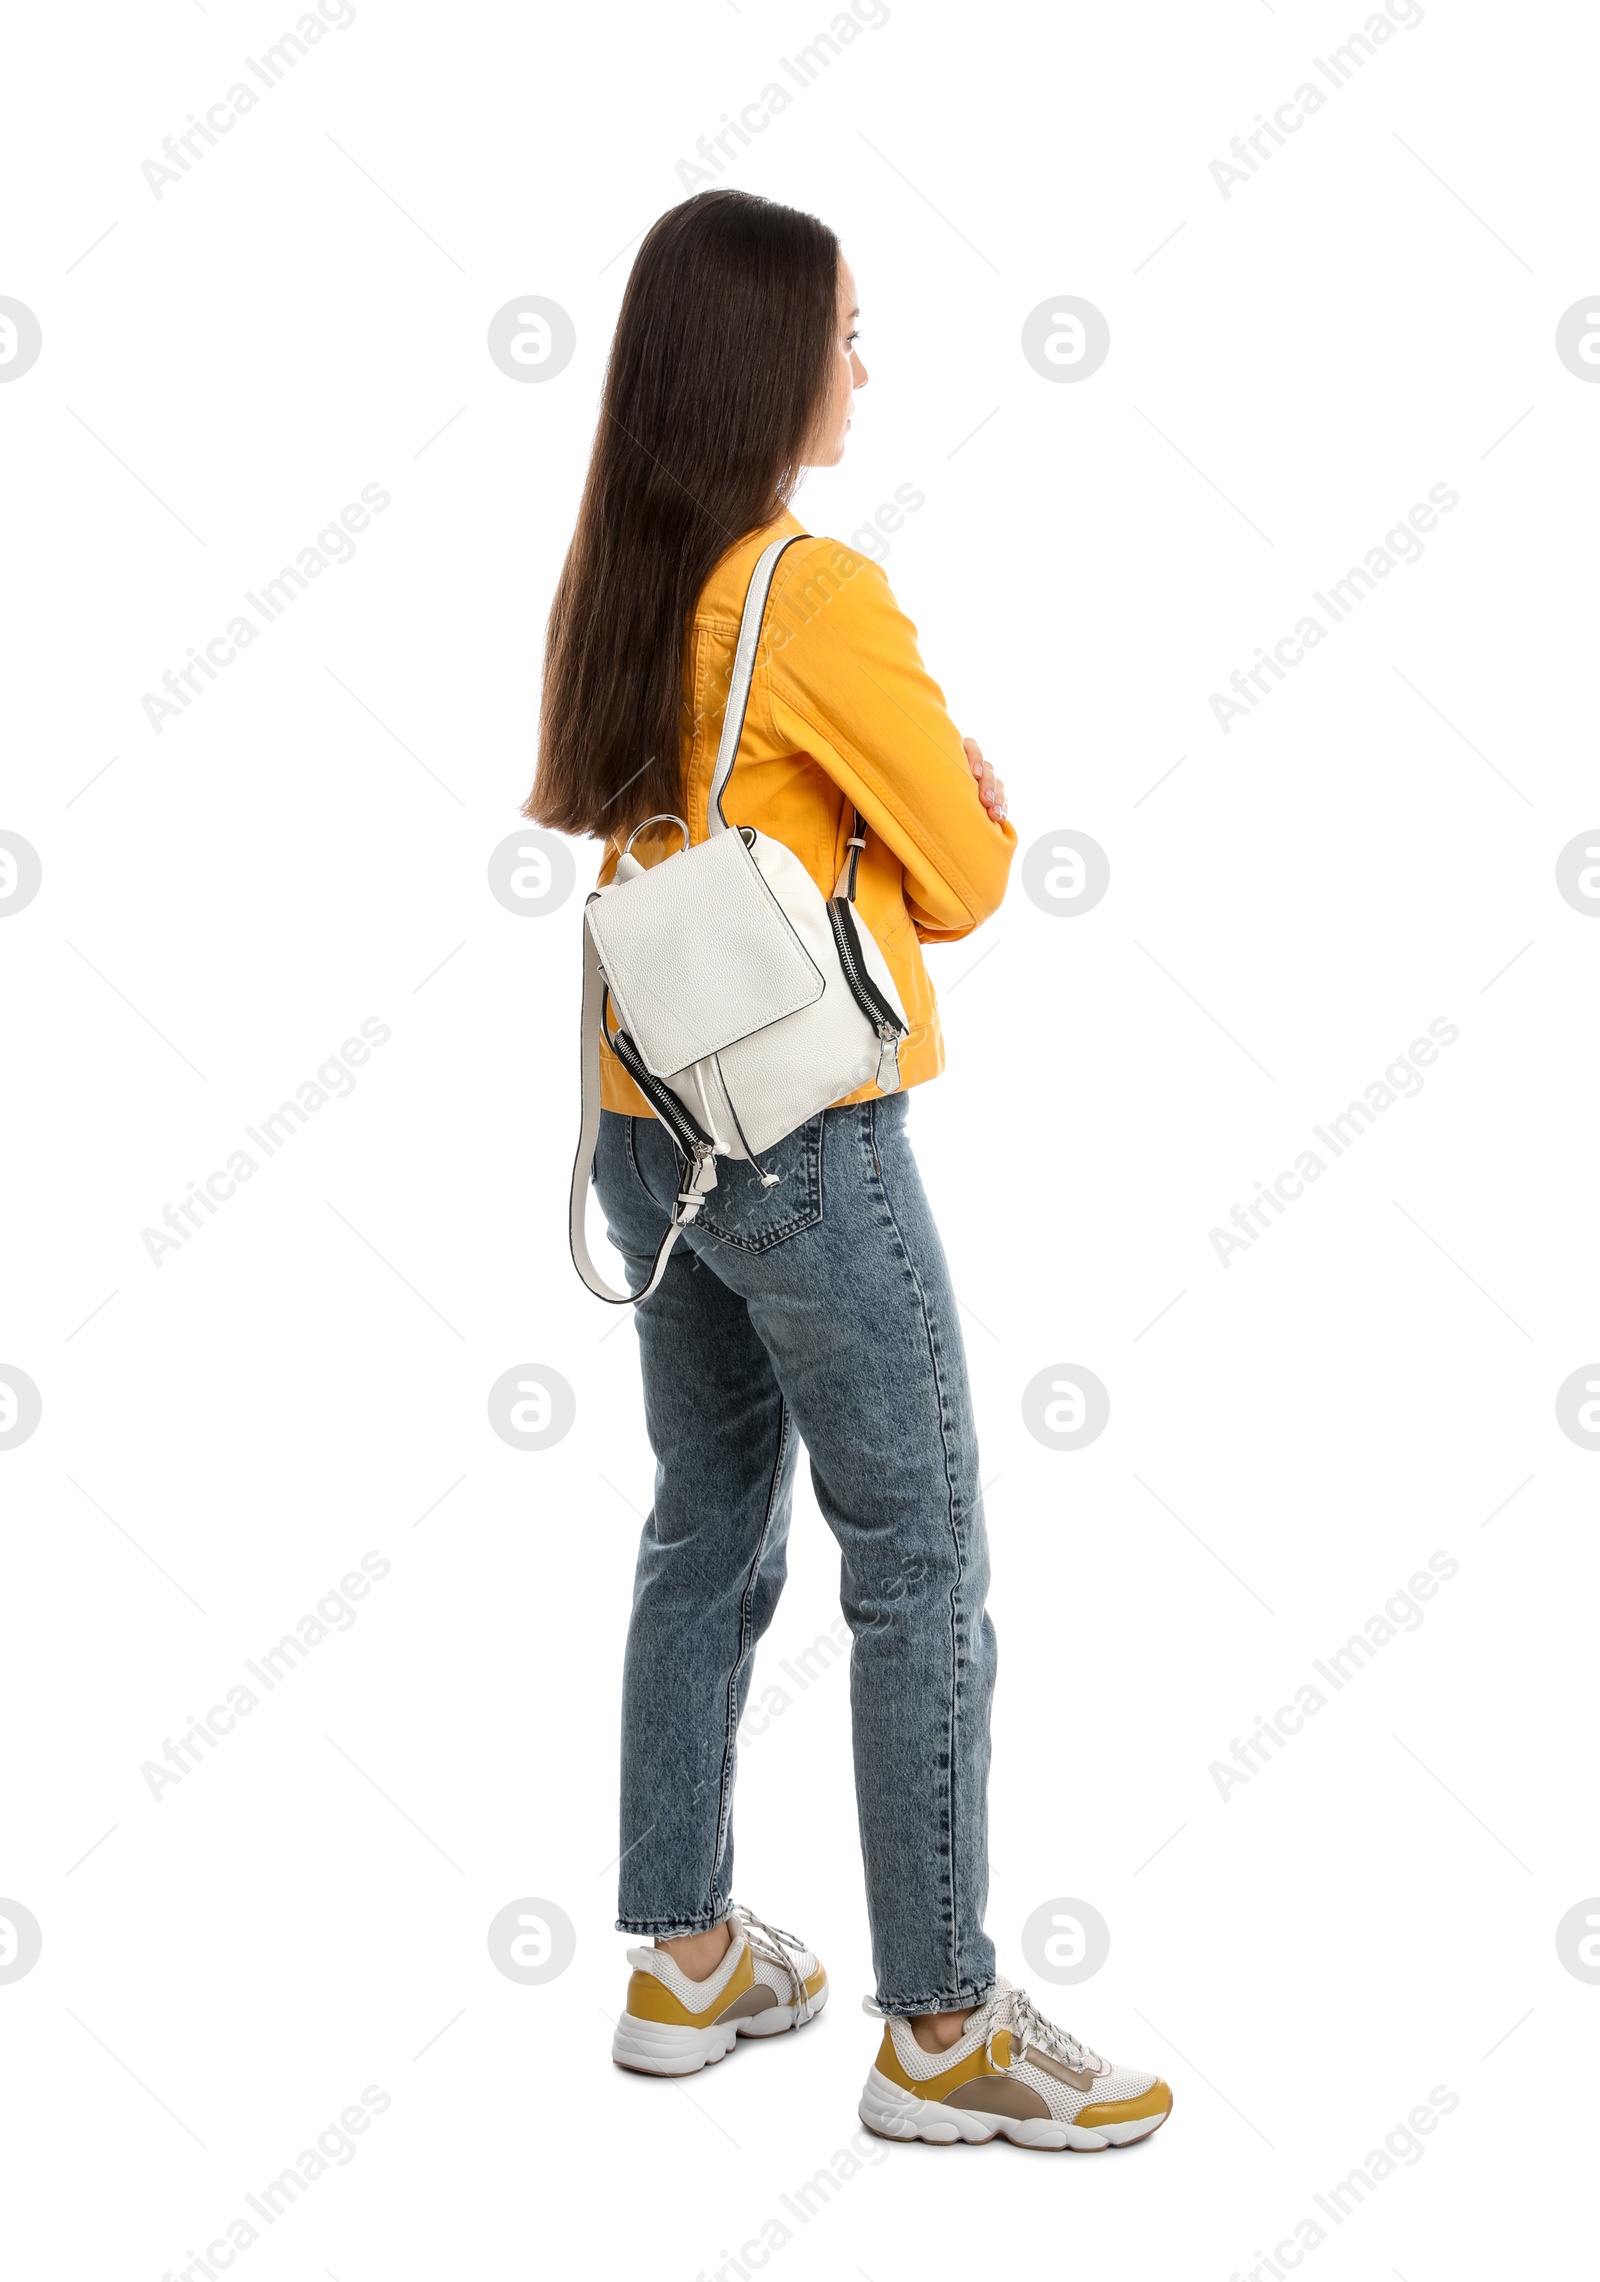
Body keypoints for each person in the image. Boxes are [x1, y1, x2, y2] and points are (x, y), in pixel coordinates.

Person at [525, 188, 1173, 2150]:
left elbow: (597, 810)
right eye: (846, 332)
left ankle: (682, 1952)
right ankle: (947, 2028)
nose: (862, 365)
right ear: (766, 361)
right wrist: (943, 799)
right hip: (806, 1144)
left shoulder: (616, 568)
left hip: (646, 1130)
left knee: (700, 1528)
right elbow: (968, 886)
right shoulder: (812, 593)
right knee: (920, 1562)